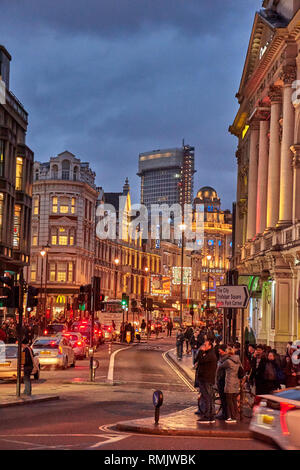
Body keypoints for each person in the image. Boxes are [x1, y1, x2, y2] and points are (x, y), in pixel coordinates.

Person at [195, 340, 217, 424]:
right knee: (207, 397)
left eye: (205, 345)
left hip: (207, 379)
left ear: (210, 346)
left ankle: (208, 416)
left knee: (208, 397)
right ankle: (210, 415)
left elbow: (201, 361)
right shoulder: (207, 353)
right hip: (204, 378)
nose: (203, 346)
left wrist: (200, 351)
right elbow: (197, 360)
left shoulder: (211, 355)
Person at [218, 346, 242, 423]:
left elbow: (219, 365)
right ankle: (235, 415)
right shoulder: (237, 360)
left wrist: (225, 357)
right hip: (235, 382)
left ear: (228, 354)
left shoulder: (228, 362)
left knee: (229, 401)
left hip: (229, 382)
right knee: (234, 400)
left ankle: (230, 417)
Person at [215, 344, 229, 420]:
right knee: (223, 399)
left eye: (220, 350)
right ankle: (224, 413)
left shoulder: (226, 359)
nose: (219, 352)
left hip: (223, 381)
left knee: (224, 399)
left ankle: (225, 414)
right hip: (221, 380)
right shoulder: (222, 358)